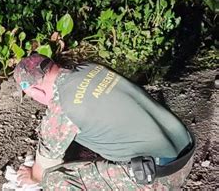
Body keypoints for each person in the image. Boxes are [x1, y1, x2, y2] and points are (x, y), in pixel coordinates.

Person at [13, 53, 195, 189]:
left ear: (37, 92)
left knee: (54, 180)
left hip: (161, 178)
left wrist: (31, 176)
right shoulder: (91, 67)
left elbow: (42, 170)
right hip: (185, 151)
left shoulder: (61, 108)